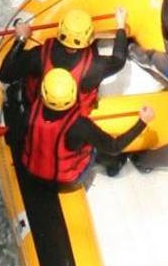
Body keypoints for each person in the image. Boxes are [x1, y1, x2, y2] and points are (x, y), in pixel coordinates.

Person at [20, 68, 154, 187]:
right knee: (95, 147)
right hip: (66, 181)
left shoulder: (30, 111)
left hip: (31, 172)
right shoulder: (81, 126)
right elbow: (114, 147)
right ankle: (114, 165)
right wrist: (142, 122)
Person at [0, 6, 130, 117]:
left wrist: (21, 39)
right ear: (89, 36)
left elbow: (5, 75)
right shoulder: (95, 67)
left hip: (38, 109)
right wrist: (120, 25)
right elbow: (119, 60)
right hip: (74, 120)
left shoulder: (38, 55)